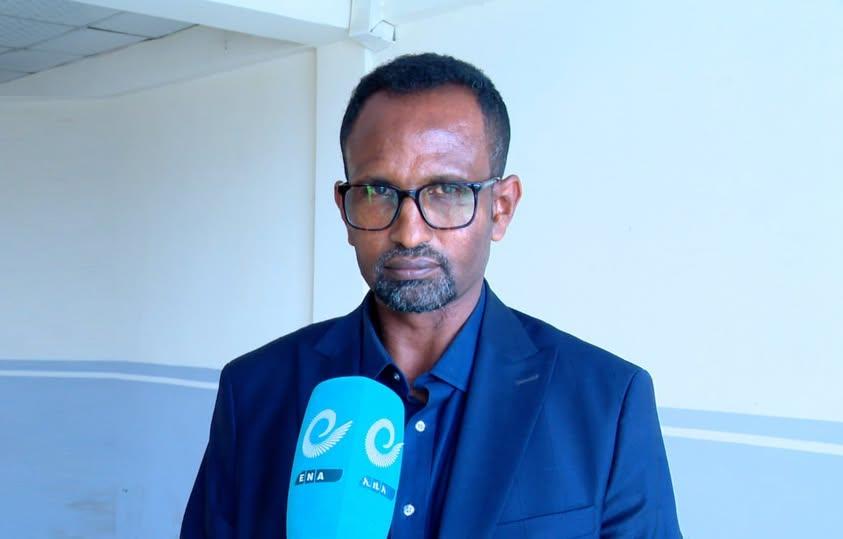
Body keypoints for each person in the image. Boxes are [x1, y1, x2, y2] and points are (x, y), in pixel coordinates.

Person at [181, 52, 682, 538]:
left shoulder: (606, 402)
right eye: (377, 192)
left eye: (447, 191)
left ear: (501, 208)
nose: (409, 232)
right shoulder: (255, 391)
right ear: (344, 209)